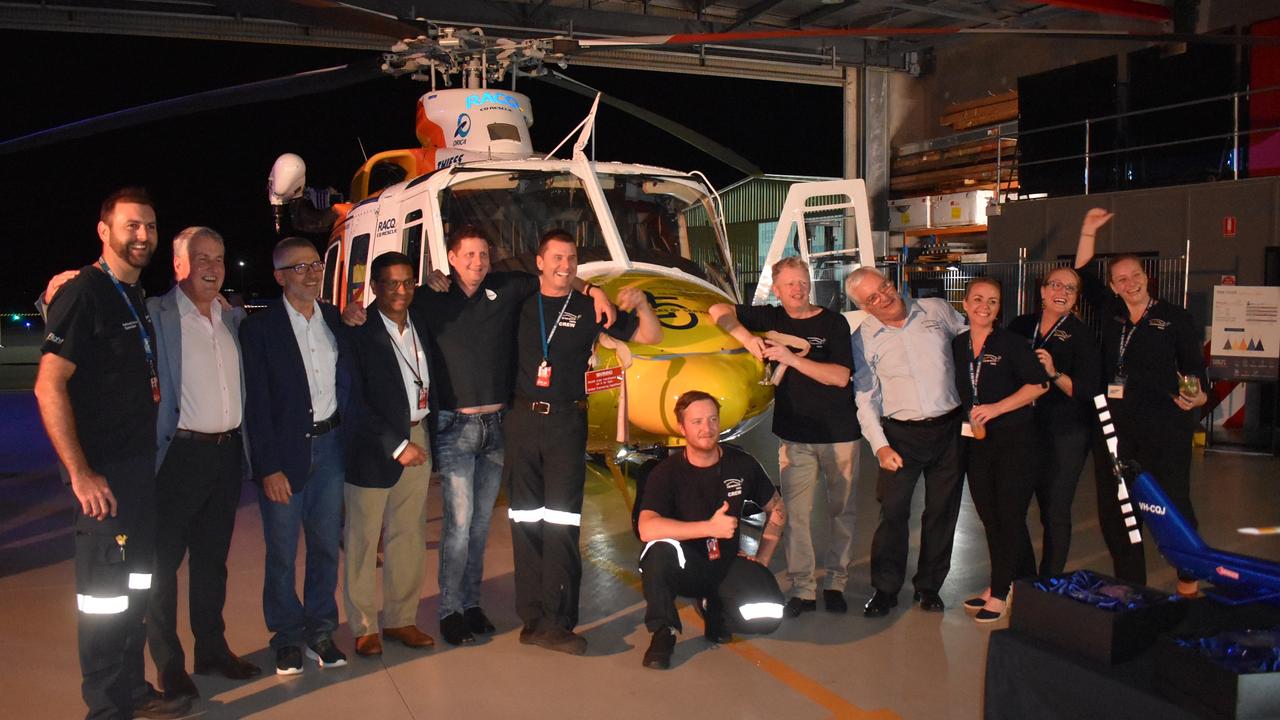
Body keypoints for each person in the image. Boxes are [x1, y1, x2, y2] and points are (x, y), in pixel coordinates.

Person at [340, 225, 614, 646]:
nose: (477, 262)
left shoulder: (506, 287)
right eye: (468, 255)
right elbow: (389, 306)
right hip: (453, 427)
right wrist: (353, 311)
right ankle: (449, 609)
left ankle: (470, 603)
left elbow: (556, 274)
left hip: (498, 427)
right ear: (450, 259)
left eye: (484, 254)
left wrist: (591, 288)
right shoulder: (429, 296)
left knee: (481, 525)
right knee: (459, 523)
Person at [34, 188, 191, 719]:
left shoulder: (133, 296)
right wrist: (80, 474)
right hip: (101, 481)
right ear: (105, 231)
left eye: (149, 225)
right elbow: (48, 386)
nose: (143, 235)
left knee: (135, 590)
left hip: (137, 474)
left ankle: (131, 690)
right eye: (131, 226)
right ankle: (105, 708)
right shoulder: (85, 293)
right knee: (104, 601)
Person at [506, 229, 661, 655]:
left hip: (566, 424)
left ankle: (558, 620)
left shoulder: (590, 308)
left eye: (571, 258)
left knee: (562, 523)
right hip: (521, 421)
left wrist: (641, 304)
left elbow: (649, 337)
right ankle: (532, 618)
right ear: (539, 262)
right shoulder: (518, 300)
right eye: (556, 257)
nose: (564, 265)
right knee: (524, 522)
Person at [144, 227, 261, 696]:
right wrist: (57, 293)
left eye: (220, 257)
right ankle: (170, 664)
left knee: (212, 562)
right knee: (164, 564)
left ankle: (211, 650)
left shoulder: (230, 318)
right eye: (202, 258)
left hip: (226, 455)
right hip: (180, 458)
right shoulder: (156, 314)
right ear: (179, 266)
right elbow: (96, 327)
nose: (213, 267)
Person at [708, 256, 860, 615]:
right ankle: (804, 589)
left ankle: (836, 582)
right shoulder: (771, 317)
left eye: (803, 281)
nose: (798, 288)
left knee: (843, 512)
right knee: (796, 514)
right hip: (795, 435)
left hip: (840, 434)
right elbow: (717, 308)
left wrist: (790, 359)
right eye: (790, 283)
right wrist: (747, 339)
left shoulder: (833, 322)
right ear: (776, 290)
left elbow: (839, 377)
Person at [1074, 208, 1208, 592]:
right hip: (1115, 430)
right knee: (1118, 508)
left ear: (1146, 277)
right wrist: (1088, 231)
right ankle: (1131, 583)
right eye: (1121, 279)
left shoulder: (1174, 318)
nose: (1129, 283)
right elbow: (1083, 273)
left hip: (1165, 428)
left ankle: (1188, 575)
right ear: (1113, 286)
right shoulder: (1112, 313)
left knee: (1173, 501)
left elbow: (1194, 369)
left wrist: (1196, 396)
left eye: (1135, 275)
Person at [240, 237, 354, 674]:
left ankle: (321, 631)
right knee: (283, 552)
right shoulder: (260, 330)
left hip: (331, 449)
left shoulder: (334, 319)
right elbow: (258, 405)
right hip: (286, 456)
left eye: (316, 265)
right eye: (300, 267)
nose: (311, 273)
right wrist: (267, 467)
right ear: (279, 276)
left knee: (326, 547)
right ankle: (287, 636)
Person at [845, 267, 968, 617]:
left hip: (949, 430)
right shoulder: (864, 338)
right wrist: (880, 446)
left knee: (942, 512)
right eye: (872, 298)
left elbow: (973, 340)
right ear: (865, 307)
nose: (884, 296)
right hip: (901, 436)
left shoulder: (936, 310)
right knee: (893, 513)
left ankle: (929, 587)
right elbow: (866, 397)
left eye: (883, 286)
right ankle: (885, 590)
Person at [636, 390, 786, 670]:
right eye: (697, 422)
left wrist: (763, 561)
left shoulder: (741, 463)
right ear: (681, 428)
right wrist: (709, 527)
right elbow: (646, 527)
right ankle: (663, 632)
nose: (707, 428)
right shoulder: (666, 473)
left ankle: (713, 606)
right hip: (685, 565)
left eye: (712, 420)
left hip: (726, 562)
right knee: (657, 551)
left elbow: (776, 509)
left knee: (768, 617)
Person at [344, 252, 438, 656]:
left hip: (420, 436)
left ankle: (401, 619)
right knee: (364, 540)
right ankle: (364, 626)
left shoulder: (422, 321)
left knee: (409, 535)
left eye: (408, 282)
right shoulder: (356, 330)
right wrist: (397, 446)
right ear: (375, 287)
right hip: (373, 447)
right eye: (392, 283)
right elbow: (353, 400)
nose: (401, 291)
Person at [951, 278, 1049, 623]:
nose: (984, 306)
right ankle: (1020, 581)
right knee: (991, 516)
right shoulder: (958, 344)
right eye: (977, 299)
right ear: (965, 304)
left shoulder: (1011, 343)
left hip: (1016, 442)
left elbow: (1039, 385)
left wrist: (996, 408)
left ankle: (1000, 591)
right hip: (977, 443)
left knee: (1007, 517)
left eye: (992, 301)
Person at [1007, 267, 1101, 578]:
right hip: (1022, 429)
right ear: (1043, 290)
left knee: (1055, 511)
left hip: (1065, 433)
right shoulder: (1021, 326)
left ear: (1076, 298)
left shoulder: (1081, 334)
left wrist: (1054, 373)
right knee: (1013, 508)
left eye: (1070, 288)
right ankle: (1021, 578)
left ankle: (1048, 582)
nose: (1061, 291)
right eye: (1056, 285)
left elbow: (1086, 391)